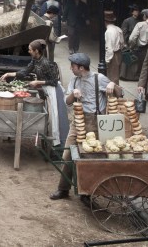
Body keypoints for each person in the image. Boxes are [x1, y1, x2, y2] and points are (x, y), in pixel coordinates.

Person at [50, 53, 115, 200]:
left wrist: (113, 84)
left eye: (73, 66)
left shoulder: (99, 79)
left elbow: (119, 92)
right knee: (68, 154)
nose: (71, 68)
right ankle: (63, 189)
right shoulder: (74, 80)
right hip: (78, 120)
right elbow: (67, 101)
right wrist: (73, 94)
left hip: (95, 122)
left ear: (80, 67)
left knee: (90, 158)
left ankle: (88, 193)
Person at [0, 40, 61, 146]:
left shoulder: (46, 63)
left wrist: (38, 82)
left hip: (51, 90)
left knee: (53, 118)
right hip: (42, 88)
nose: (28, 51)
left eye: (30, 50)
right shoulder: (35, 60)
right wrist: (8, 74)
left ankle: (54, 142)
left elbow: (54, 82)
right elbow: (25, 71)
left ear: (36, 51)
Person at [129, 8, 148, 79]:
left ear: (145, 15)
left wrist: (131, 47)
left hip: (141, 49)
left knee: (141, 68)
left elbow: (132, 38)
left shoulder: (140, 24)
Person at [120, 4, 141, 81]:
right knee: (127, 59)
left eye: (138, 11)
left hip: (136, 42)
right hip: (128, 41)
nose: (137, 12)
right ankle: (124, 76)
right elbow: (124, 32)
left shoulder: (139, 21)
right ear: (132, 12)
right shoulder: (127, 20)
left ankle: (133, 76)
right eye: (136, 11)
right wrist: (125, 42)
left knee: (134, 60)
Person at [104, 11, 125, 85]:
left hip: (113, 55)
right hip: (118, 53)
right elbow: (122, 43)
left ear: (105, 21)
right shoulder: (118, 29)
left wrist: (107, 60)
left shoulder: (109, 31)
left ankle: (114, 94)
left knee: (112, 77)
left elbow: (109, 48)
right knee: (116, 76)